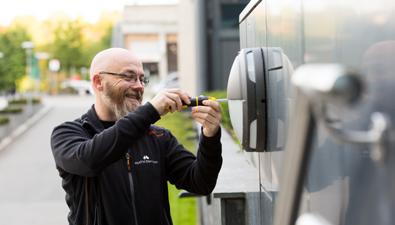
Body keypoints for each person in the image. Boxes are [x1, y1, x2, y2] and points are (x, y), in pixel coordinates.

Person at [50, 48, 223, 225]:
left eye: (142, 79)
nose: (139, 86)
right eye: (129, 77)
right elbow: (89, 160)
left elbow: (201, 183)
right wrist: (151, 110)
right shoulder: (67, 134)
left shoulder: (158, 136)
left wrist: (210, 136)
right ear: (98, 82)